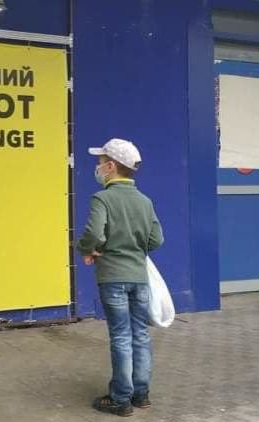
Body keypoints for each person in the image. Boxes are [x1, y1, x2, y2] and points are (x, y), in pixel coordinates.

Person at [76, 138, 164, 417]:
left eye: (101, 162)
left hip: (112, 277)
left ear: (111, 166)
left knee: (121, 336)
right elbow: (156, 239)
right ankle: (141, 394)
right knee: (140, 334)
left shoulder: (102, 198)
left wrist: (87, 249)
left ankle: (121, 398)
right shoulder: (145, 201)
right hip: (139, 278)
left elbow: (93, 232)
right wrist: (135, 248)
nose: (98, 167)